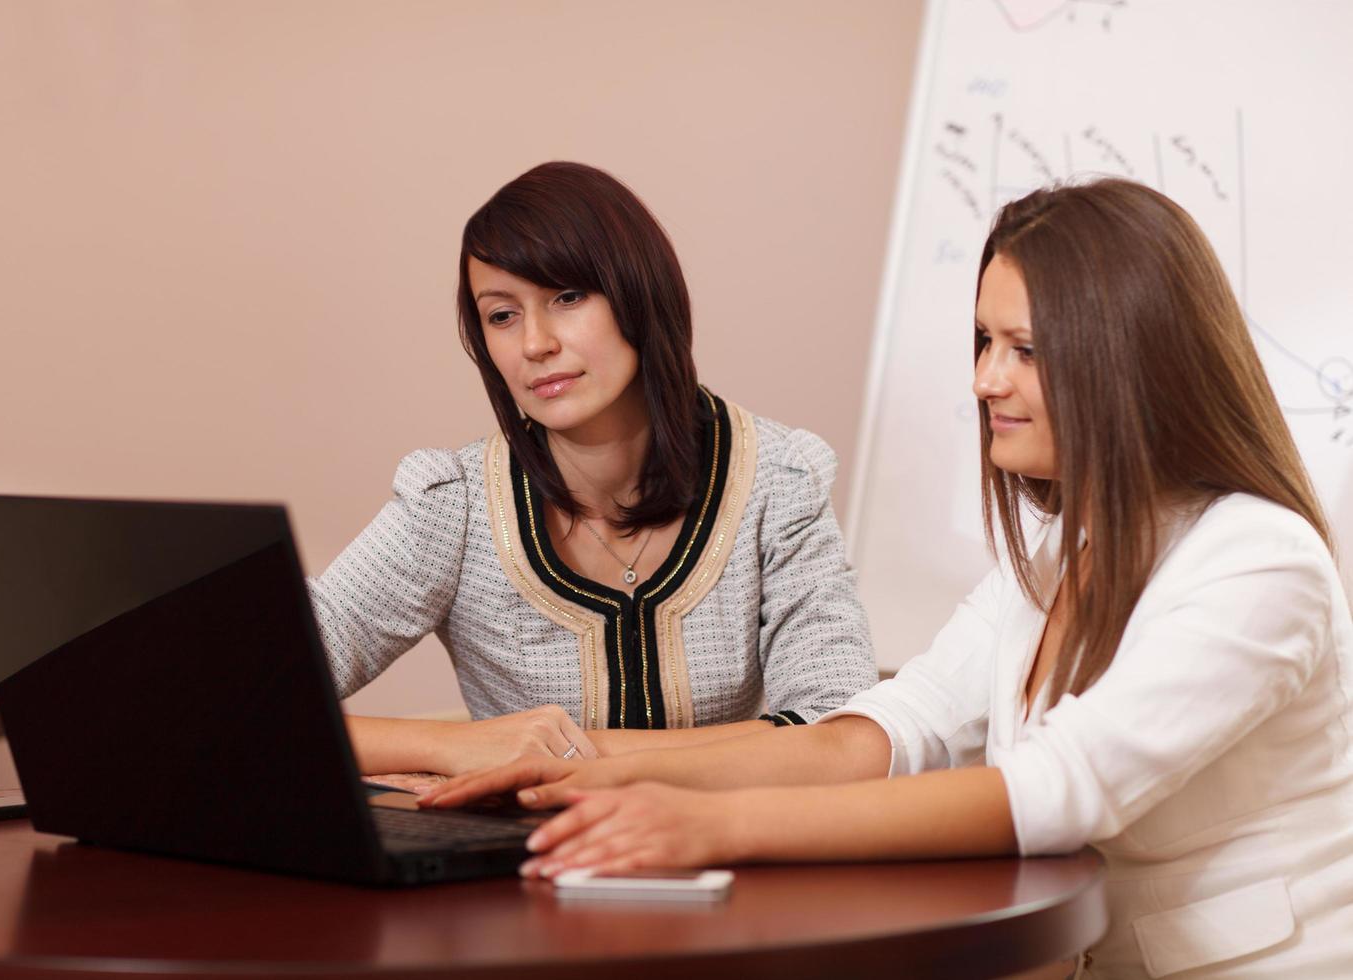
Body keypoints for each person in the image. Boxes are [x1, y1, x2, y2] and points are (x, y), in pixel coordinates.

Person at [422, 178, 1353, 977]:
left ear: (1130, 356)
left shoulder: (1259, 562)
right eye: (982, 342)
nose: (987, 380)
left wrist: (710, 827)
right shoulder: (1060, 554)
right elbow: (876, 734)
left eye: (1024, 350)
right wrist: (576, 767)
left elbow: (1055, 789)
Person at [312, 161, 877, 778]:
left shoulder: (776, 482)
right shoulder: (454, 504)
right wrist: (449, 748)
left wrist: (563, 755)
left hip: (728, 863)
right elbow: (243, 696)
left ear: (639, 293)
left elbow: (841, 737)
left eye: (568, 297)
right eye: (502, 315)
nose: (535, 343)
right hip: (524, 866)